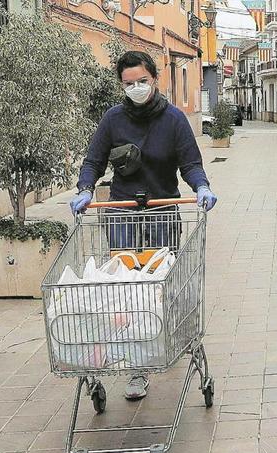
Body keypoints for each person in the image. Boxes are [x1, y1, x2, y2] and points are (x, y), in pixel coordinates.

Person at [69, 50, 218, 401]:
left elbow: (190, 163)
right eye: (128, 83)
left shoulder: (174, 120)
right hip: (122, 211)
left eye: (142, 82)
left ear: (155, 79)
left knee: (154, 286)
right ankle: (136, 366)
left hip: (162, 209)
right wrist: (85, 189)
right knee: (125, 287)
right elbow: (93, 160)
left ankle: (157, 343)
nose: (135, 88)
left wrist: (201, 186)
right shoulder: (113, 119)